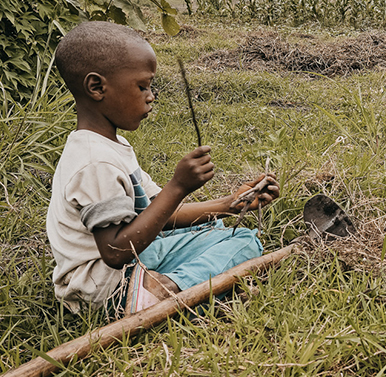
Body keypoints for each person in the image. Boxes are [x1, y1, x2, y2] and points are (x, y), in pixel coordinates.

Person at [46, 21, 280, 317]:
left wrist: (231, 204)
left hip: (130, 264)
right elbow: (115, 252)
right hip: (101, 287)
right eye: (142, 86)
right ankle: (162, 292)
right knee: (241, 245)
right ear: (96, 87)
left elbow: (159, 212)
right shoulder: (95, 162)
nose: (151, 96)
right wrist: (178, 187)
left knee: (230, 235)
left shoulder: (111, 146)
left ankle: (174, 289)